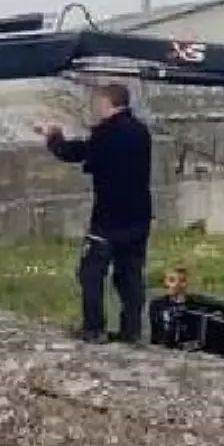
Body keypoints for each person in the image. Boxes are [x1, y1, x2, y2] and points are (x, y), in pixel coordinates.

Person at [40, 83, 152, 343]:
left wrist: (53, 138)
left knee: (90, 274)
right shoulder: (141, 132)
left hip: (108, 219)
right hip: (138, 218)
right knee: (130, 277)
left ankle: (94, 328)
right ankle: (131, 331)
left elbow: (77, 153)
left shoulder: (106, 133)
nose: (95, 108)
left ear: (106, 103)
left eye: (97, 103)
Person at [149, 265, 189, 344]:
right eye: (165, 280)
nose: (166, 284)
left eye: (171, 280)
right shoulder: (157, 304)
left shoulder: (192, 306)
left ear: (183, 283)